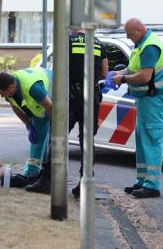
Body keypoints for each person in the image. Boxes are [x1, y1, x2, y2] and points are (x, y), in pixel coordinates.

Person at [112, 18, 163, 198]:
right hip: (145, 100)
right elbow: (133, 69)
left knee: (152, 139)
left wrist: (122, 80)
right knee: (141, 139)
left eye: (130, 35)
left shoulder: (149, 47)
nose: (129, 39)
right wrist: (119, 73)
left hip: (153, 98)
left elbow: (145, 76)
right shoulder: (141, 44)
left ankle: (152, 185)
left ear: (139, 30)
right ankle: (142, 182)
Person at [0, 67, 53, 191]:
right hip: (38, 105)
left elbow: (51, 108)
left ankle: (34, 173)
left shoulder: (33, 89)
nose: (2, 96)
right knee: (38, 136)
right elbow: (15, 107)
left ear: (10, 87)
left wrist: (55, 129)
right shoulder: (10, 89)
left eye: (2, 93)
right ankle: (36, 172)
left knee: (41, 138)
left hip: (52, 93)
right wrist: (29, 125)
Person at [68, 30, 108, 198]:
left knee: (57, 137)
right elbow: (104, 73)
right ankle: (86, 182)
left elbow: (59, 68)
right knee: (87, 141)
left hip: (71, 96)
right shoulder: (98, 43)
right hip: (91, 97)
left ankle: (49, 179)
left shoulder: (68, 41)